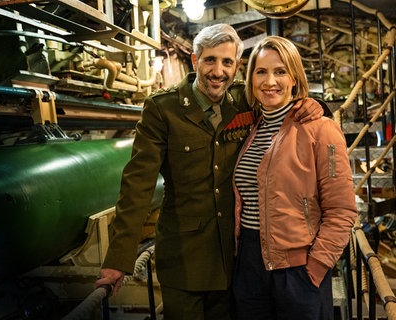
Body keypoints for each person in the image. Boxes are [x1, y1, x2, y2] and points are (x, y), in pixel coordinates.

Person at [95, 24, 323, 319]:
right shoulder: (163, 110)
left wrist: (313, 105)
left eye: (227, 62)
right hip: (184, 261)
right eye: (210, 60)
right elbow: (138, 185)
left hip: (235, 260)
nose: (218, 71)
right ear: (194, 61)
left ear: (238, 67)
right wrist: (118, 259)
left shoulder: (245, 100)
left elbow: (281, 98)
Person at [232, 35, 357, 320]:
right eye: (261, 71)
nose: (270, 81)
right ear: (250, 78)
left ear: (294, 78)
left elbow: (342, 209)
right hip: (249, 265)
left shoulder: (320, 129)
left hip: (299, 268)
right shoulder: (251, 129)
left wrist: (316, 267)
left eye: (280, 71)